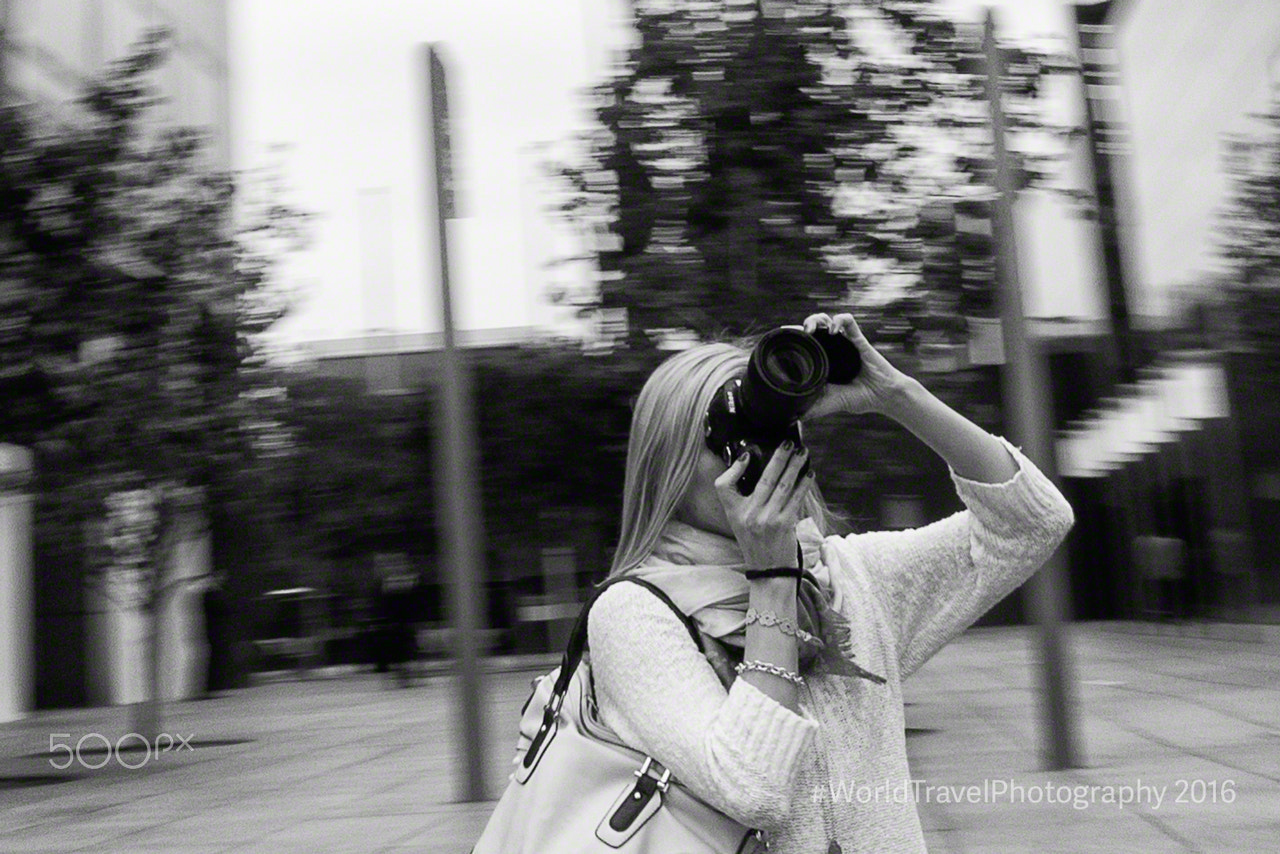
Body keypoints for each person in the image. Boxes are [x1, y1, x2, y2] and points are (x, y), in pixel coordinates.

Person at [587, 313, 1074, 854]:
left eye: (773, 430)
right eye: (732, 434)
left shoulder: (847, 581)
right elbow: (751, 788)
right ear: (669, 464)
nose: (758, 451)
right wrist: (771, 577)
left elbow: (1031, 524)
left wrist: (897, 396)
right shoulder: (634, 614)